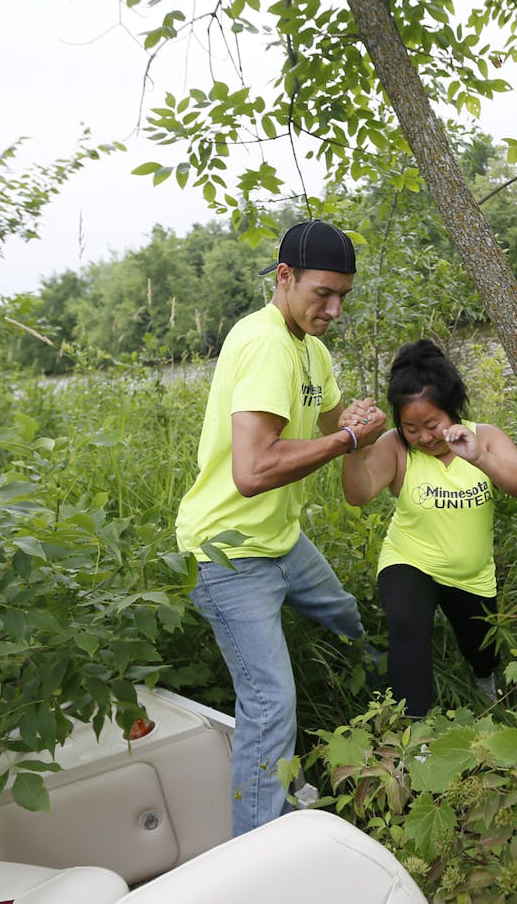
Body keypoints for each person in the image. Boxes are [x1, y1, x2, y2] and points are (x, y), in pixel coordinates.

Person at [175, 219, 388, 837]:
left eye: (344, 295)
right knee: (270, 707)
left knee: (348, 622)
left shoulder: (310, 348)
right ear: (284, 277)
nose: (335, 309)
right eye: (323, 293)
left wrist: (350, 422)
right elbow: (254, 469)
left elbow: (323, 428)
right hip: (227, 553)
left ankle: (389, 725)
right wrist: (349, 438)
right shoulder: (265, 341)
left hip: (280, 541)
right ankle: (258, 854)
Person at [340, 339, 517, 718]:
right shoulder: (396, 446)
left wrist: (479, 457)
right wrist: (352, 447)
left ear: (453, 410)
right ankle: (415, 736)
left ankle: (483, 680)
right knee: (407, 628)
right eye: (411, 427)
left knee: (482, 650)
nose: (424, 437)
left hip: (472, 574)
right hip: (410, 560)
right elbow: (358, 494)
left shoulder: (486, 437)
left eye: (432, 424)